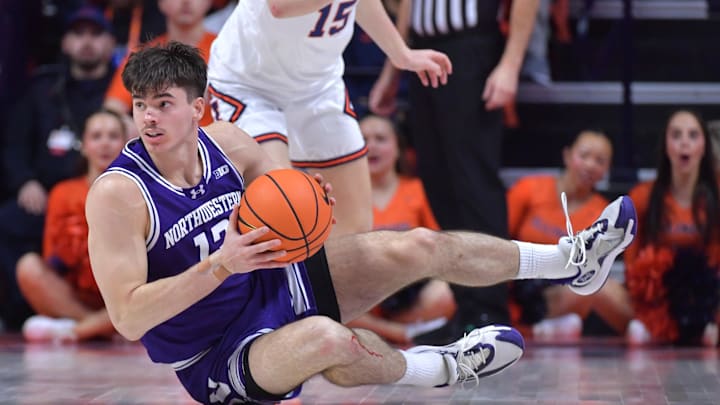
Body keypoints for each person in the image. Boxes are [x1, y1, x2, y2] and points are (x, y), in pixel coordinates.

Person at [86, 43, 636, 404]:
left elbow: (282, 188)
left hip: (275, 281)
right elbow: (129, 317)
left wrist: (308, 193)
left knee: (416, 244)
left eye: (163, 103)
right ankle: (441, 367)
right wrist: (218, 266)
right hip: (216, 350)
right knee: (331, 340)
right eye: (140, 105)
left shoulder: (229, 144)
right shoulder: (117, 194)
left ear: (201, 108)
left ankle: (570, 262)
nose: (149, 117)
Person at [206, 0, 452, 238]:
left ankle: (329, 279)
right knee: (279, 210)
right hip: (250, 84)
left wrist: (401, 54)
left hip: (317, 87)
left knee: (356, 228)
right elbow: (280, 6)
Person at [369, 0, 540, 335]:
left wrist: (510, 63)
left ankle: (491, 311)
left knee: (474, 186)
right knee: (439, 184)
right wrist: (392, 70)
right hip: (421, 52)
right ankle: (468, 309)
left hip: (471, 49)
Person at [0, 4, 116, 330]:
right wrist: (24, 181)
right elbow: (15, 143)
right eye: (78, 34)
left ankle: (89, 320)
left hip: (103, 193)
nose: (87, 42)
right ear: (64, 43)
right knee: (7, 223)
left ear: (111, 43)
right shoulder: (42, 88)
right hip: (50, 196)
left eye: (96, 34)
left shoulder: (121, 89)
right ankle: (28, 309)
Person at [506, 130, 633, 340]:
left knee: (600, 287)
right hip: (519, 285)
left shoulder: (603, 212)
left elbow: (595, 269)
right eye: (584, 156)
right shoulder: (529, 188)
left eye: (600, 161)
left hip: (564, 290)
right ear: (567, 156)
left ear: (606, 170)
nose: (590, 165)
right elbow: (499, 238)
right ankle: (528, 328)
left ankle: (548, 327)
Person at [17, 109, 127, 343]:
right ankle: (99, 326)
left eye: (113, 136)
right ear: (84, 145)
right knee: (28, 267)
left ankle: (77, 331)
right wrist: (72, 251)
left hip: (126, 292)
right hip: (78, 296)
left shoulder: (138, 191)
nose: (105, 143)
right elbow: (52, 263)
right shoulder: (62, 193)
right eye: (96, 136)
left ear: (125, 143)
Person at [345, 114, 455, 345]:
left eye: (381, 139)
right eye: (363, 139)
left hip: (409, 291)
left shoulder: (417, 189)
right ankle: (398, 333)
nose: (371, 146)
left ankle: (377, 331)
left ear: (398, 149)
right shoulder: (345, 194)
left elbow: (440, 245)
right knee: (330, 298)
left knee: (447, 292)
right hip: (362, 296)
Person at [624, 109, 720, 347]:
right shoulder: (642, 196)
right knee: (603, 291)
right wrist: (649, 298)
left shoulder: (717, 193)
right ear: (666, 146)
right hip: (657, 298)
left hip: (709, 299)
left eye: (693, 135)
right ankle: (654, 327)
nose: (684, 142)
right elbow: (631, 263)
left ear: (704, 147)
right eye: (676, 135)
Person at [104, 0, 216, 132]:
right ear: (161, 3)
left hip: (215, 143)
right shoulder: (144, 56)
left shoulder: (226, 51)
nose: (186, 2)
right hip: (159, 145)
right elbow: (113, 108)